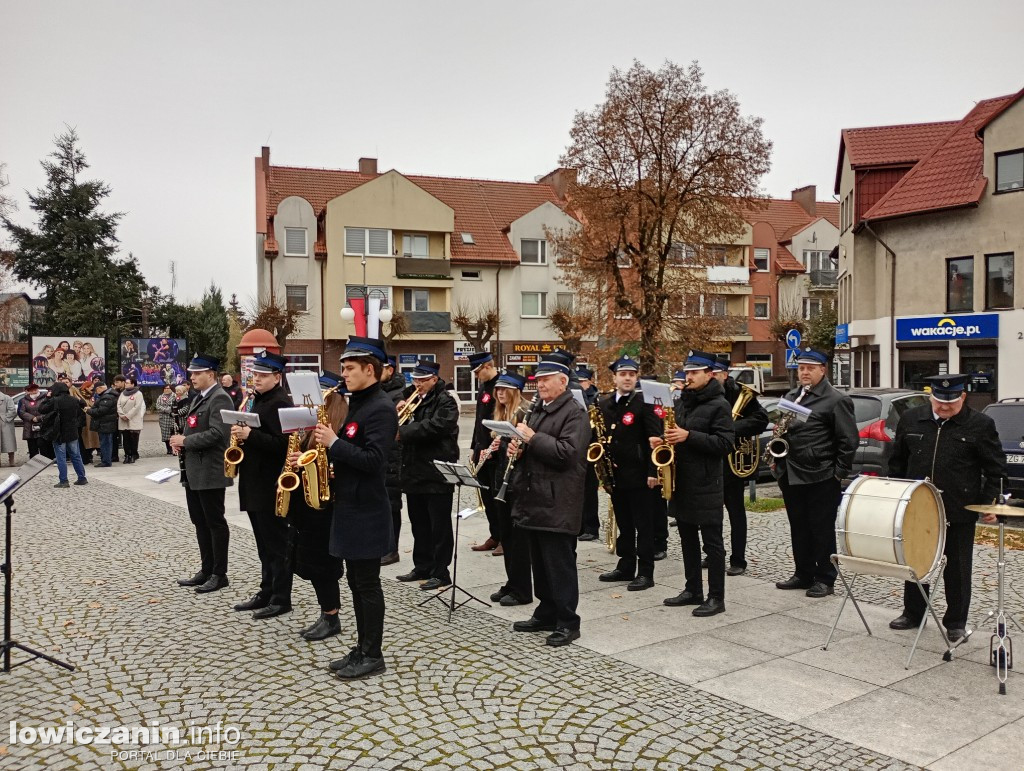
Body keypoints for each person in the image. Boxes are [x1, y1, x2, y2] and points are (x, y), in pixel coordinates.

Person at [888, 374, 1007, 642]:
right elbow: (897, 462)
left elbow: (996, 470)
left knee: (958, 567)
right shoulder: (911, 419)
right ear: (931, 396)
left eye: (951, 402)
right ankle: (913, 613)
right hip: (917, 508)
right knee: (917, 561)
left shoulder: (980, 425)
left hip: (958, 508)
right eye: (939, 401)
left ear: (963, 397)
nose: (944, 407)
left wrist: (991, 502)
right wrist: (895, 495)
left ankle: (955, 621)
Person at [314, 335, 397, 680]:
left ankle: (373, 653)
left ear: (370, 369)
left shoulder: (380, 407)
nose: (344, 373)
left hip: (367, 511)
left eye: (349, 368)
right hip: (351, 506)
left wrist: (334, 444)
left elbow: (375, 460)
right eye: (344, 368)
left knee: (367, 584)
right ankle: (362, 647)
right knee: (356, 581)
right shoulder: (359, 403)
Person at [508, 354, 590, 647]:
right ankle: (546, 612)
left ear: (562, 381)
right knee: (540, 564)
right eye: (538, 380)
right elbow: (535, 447)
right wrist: (517, 451)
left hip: (558, 501)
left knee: (559, 565)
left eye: (545, 379)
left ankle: (568, 621)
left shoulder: (575, 413)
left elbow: (568, 454)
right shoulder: (538, 410)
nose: (539, 384)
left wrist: (531, 439)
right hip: (535, 498)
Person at [773, 347, 858, 598]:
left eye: (810, 368)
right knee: (798, 526)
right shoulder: (792, 395)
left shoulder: (836, 399)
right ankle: (803, 573)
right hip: (791, 472)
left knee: (821, 528)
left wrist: (838, 473)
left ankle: (825, 578)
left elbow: (848, 440)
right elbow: (783, 428)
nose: (805, 372)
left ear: (823, 370)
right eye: (801, 368)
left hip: (821, 474)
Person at [660, 352, 735, 617]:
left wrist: (689, 436)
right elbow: (677, 435)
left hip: (706, 483)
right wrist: (663, 441)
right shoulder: (683, 402)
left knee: (712, 544)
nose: (688, 377)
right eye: (687, 372)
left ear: (709, 374)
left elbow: (725, 444)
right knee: (687, 539)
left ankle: (717, 597)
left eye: (694, 373)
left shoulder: (719, 405)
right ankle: (693, 589)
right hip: (683, 482)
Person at [230, 352, 293, 619]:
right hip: (254, 481)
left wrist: (250, 435)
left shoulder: (280, 403)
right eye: (255, 374)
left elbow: (283, 445)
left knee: (276, 545)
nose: (257, 379)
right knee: (263, 545)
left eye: (263, 375)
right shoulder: (258, 400)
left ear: (277, 377)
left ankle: (281, 598)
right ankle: (266, 590)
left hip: (270, 484)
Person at [286, 372, 348, 641]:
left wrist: (307, 462)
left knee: (322, 563)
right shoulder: (309, 423)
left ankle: (331, 615)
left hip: (325, 505)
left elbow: (338, 462)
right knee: (310, 561)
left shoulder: (338, 424)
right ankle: (327, 612)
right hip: (306, 502)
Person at [596, 357, 663, 591]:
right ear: (614, 378)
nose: (627, 378)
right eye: (622, 374)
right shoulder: (604, 404)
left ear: (636, 378)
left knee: (644, 526)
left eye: (631, 374)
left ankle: (646, 572)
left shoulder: (645, 403)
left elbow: (656, 439)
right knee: (624, 524)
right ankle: (625, 566)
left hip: (641, 475)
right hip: (616, 475)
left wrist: (654, 471)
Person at [169, 354, 234, 595]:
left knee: (215, 522)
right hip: (195, 471)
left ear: (211, 374)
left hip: (211, 471)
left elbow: (219, 433)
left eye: (197, 373)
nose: (192, 377)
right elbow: (196, 426)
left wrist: (186, 440)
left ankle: (219, 573)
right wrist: (182, 443)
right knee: (200, 522)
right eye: (191, 373)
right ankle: (206, 569)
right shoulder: (201, 397)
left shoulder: (220, 398)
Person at [395, 359, 460, 591]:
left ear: (434, 379)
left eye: (422, 380)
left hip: (436, 473)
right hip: (414, 471)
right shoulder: (412, 395)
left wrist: (403, 432)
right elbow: (397, 395)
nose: (418, 384)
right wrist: (400, 403)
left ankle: (441, 572)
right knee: (418, 524)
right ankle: (422, 566)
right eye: (415, 379)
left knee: (439, 527)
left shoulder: (447, 400)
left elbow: (437, 426)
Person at [712, 355, 768, 576]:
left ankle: (738, 559)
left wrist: (731, 428)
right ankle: (715, 553)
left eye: (716, 374)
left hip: (732, 465)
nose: (712, 377)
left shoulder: (738, 393)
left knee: (736, 513)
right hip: (712, 461)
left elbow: (761, 420)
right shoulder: (703, 395)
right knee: (711, 514)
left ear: (725, 375)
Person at [486, 372, 533, 606]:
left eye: (505, 389)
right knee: (506, 535)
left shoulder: (524, 412)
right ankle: (512, 582)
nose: (500, 393)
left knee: (518, 539)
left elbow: (528, 449)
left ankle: (522, 589)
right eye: (498, 390)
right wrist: (495, 446)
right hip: (502, 479)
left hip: (517, 483)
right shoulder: (502, 413)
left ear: (515, 391)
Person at [467, 350, 502, 554]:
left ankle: (505, 538)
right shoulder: (483, 388)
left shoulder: (500, 386)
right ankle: (494, 534)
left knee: (498, 498)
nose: (475, 375)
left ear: (488, 366)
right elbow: (478, 422)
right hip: (481, 450)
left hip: (495, 451)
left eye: (477, 371)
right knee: (486, 497)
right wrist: (475, 447)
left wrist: (491, 448)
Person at [379, 356, 405, 566]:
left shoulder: (398, 394)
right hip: (383, 454)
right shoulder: (381, 392)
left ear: (390, 370)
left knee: (392, 505)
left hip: (393, 455)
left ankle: (391, 549)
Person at [40, 381, 88, 488]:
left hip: (59, 432)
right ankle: (82, 478)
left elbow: (41, 409)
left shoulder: (54, 400)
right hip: (72, 431)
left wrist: (47, 398)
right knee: (76, 455)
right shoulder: (74, 400)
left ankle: (64, 480)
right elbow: (83, 404)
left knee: (61, 457)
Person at [576, 366, 602, 542]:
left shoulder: (597, 399)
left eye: (582, 381)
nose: (579, 384)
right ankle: (580, 525)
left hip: (592, 447)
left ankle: (592, 527)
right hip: (578, 447)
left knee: (589, 491)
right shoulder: (575, 398)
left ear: (590, 382)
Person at [87, 381, 118, 467]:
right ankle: (105, 460)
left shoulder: (107, 397)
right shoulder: (108, 396)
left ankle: (106, 461)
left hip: (105, 424)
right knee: (105, 442)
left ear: (99, 388)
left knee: (105, 443)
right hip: (105, 423)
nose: (96, 392)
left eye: (96, 390)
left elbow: (101, 411)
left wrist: (89, 410)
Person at [117, 376, 145, 464]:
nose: (126, 384)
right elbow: (118, 405)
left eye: (128, 383)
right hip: (123, 419)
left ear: (133, 384)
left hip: (133, 418)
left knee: (133, 438)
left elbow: (137, 406)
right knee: (125, 438)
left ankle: (133, 454)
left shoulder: (138, 394)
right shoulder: (123, 393)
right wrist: (121, 414)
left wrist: (128, 415)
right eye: (125, 383)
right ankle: (127, 455)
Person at [18, 384, 47, 459]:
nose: (34, 391)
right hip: (29, 425)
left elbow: (48, 411)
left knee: (43, 443)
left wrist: (39, 418)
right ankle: (33, 460)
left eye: (35, 389)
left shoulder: (44, 398)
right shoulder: (24, 400)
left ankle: (45, 459)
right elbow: (21, 412)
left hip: (42, 424)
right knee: (32, 445)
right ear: (28, 391)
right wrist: (32, 418)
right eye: (32, 390)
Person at [156, 384, 176, 455]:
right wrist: (165, 409)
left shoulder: (175, 396)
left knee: (173, 433)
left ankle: (174, 448)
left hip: (172, 417)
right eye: (165, 388)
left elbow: (175, 405)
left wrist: (169, 409)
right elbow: (158, 406)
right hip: (163, 418)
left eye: (168, 388)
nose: (166, 389)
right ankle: (168, 448)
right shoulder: (160, 397)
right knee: (165, 434)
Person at [0, 389, 16, 466]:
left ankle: (11, 460)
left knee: (9, 442)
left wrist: (5, 418)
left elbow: (12, 410)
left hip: (6, 423)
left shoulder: (7, 398)